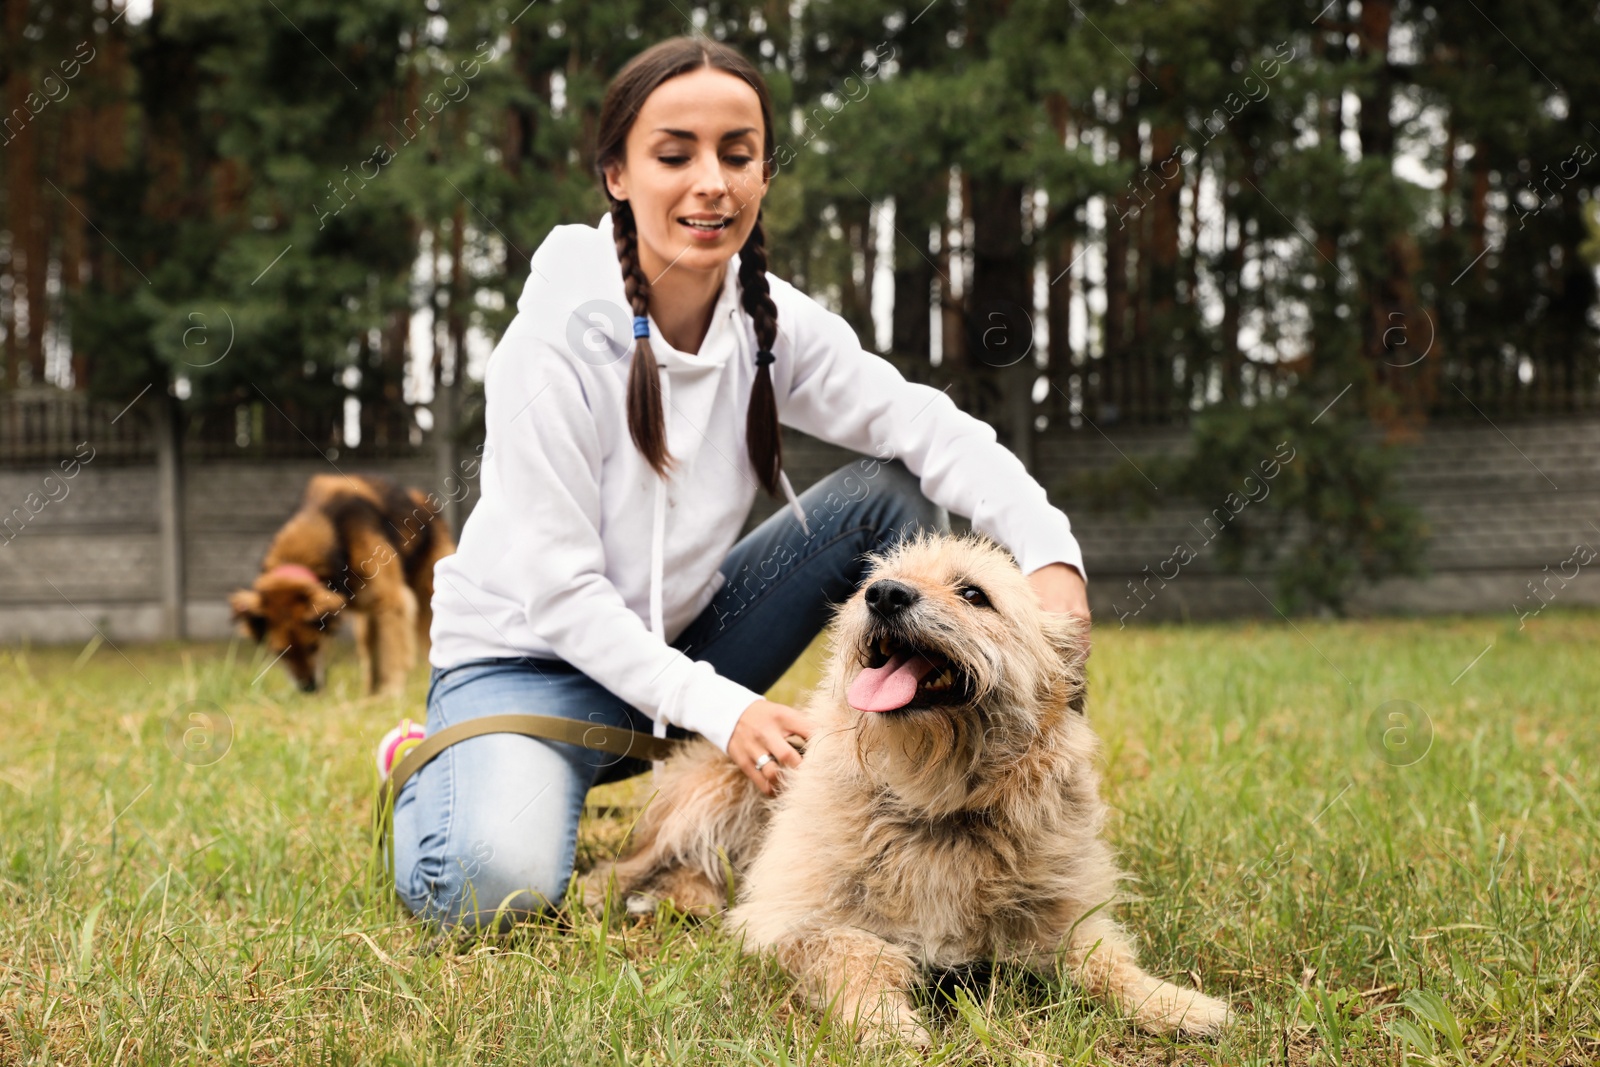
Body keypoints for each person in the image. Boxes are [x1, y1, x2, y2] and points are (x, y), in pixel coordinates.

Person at [388, 35, 1091, 935]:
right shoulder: (551, 344)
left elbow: (922, 423)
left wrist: (1049, 549)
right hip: (524, 668)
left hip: (681, 639)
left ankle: (912, 763)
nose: (711, 182)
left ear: (764, 172)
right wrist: (726, 711)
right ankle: (436, 768)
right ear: (616, 174)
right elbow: (562, 596)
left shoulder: (769, 320)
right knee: (490, 888)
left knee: (891, 494)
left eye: (739, 153)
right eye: (674, 155)